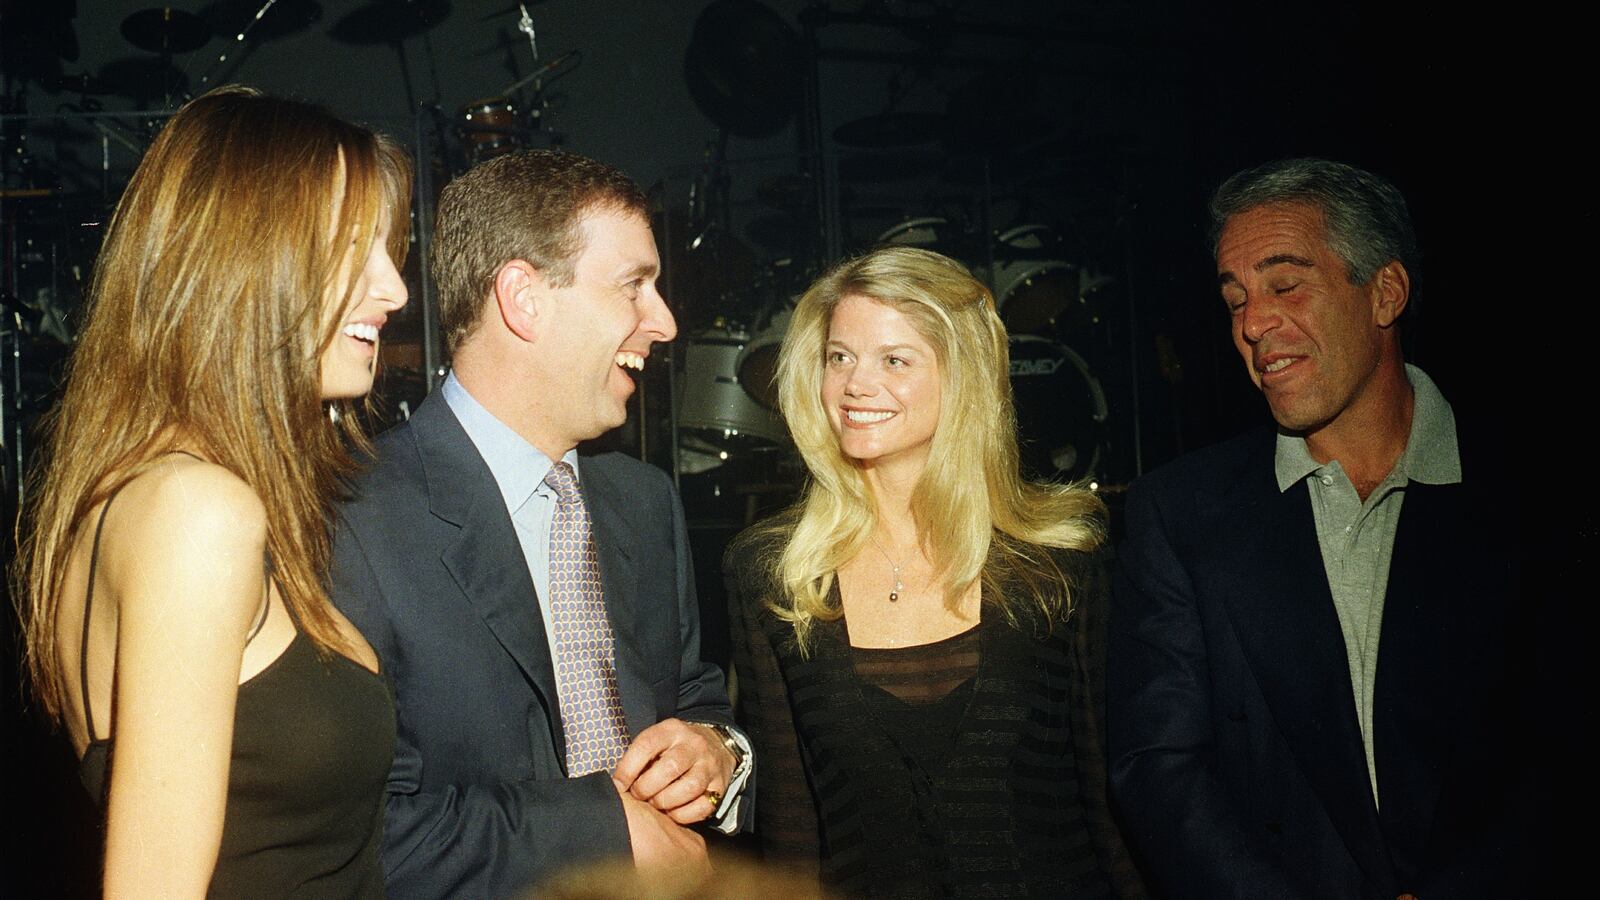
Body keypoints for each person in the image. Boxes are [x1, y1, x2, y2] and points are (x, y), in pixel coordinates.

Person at [14, 86, 411, 897]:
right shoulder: (197, 514)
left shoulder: (137, 495)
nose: (395, 289)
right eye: (355, 249)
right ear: (247, 258)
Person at [329, 149, 752, 899]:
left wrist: (717, 754)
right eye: (634, 286)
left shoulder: (645, 503)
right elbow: (348, 840)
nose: (664, 323)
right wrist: (604, 834)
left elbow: (698, 702)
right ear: (524, 298)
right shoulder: (349, 514)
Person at [1107, 158, 1535, 898]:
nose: (1251, 323)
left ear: (1385, 293)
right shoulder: (1180, 513)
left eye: (1285, 284)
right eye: (1235, 298)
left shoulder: (1538, 497)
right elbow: (1159, 766)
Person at [725, 246, 1146, 897]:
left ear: (964, 377)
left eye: (894, 359)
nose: (854, 385)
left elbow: (1112, 807)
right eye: (840, 357)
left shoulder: (1060, 566)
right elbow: (790, 828)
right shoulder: (776, 575)